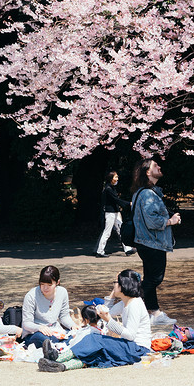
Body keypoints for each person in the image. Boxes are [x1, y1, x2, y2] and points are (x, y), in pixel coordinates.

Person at [39, 269, 152, 371]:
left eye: (116, 282)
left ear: (124, 285)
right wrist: (112, 295)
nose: (114, 285)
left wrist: (109, 320)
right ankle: (61, 366)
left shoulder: (135, 304)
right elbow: (109, 310)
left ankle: (57, 358)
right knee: (96, 354)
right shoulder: (125, 303)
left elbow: (130, 335)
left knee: (94, 338)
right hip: (131, 347)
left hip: (139, 350)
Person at [131, 158, 181, 326]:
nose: (159, 167)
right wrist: (171, 221)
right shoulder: (147, 194)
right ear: (147, 172)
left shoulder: (141, 193)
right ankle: (136, 306)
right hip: (152, 243)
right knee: (154, 279)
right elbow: (152, 221)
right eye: (155, 165)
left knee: (151, 278)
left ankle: (153, 312)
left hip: (147, 243)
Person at [21, 265, 77, 349]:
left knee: (74, 336)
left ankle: (58, 347)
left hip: (55, 331)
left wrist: (72, 326)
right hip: (35, 333)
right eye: (42, 284)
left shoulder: (62, 292)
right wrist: (39, 328)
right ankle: (58, 347)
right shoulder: (31, 296)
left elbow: (64, 316)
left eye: (49, 285)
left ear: (57, 282)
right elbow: (26, 323)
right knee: (44, 339)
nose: (45, 288)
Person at [95, 171, 137, 258]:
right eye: (115, 177)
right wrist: (128, 204)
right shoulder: (108, 189)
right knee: (107, 232)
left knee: (121, 229)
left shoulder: (111, 188)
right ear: (111, 179)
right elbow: (116, 200)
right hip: (110, 212)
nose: (117, 179)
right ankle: (100, 251)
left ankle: (127, 249)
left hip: (115, 212)